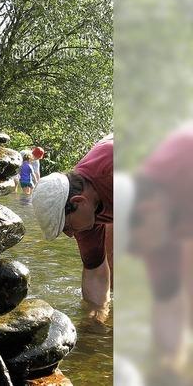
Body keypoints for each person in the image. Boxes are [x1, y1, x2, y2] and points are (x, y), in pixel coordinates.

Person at [123, 124, 193, 376]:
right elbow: (167, 299)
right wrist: (168, 363)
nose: (141, 255)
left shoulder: (185, 153)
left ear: (146, 210)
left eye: (137, 246)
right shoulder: (155, 240)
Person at [32, 135, 113, 321]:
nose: (70, 235)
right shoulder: (85, 219)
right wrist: (95, 326)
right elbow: (95, 274)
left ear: (78, 202)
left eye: (67, 227)